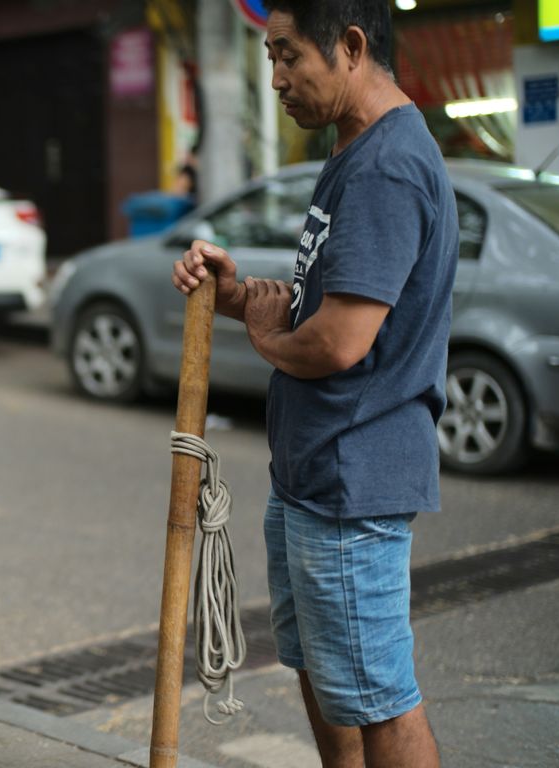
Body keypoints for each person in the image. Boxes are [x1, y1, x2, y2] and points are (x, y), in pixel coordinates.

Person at [172, 3, 454, 766]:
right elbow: (317, 305)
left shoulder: (389, 163)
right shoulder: (353, 149)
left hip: (350, 478)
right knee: (331, 679)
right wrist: (236, 295)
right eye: (270, 58)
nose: (277, 79)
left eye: (290, 56)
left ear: (352, 47)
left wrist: (265, 337)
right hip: (310, 475)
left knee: (379, 698)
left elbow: (336, 342)